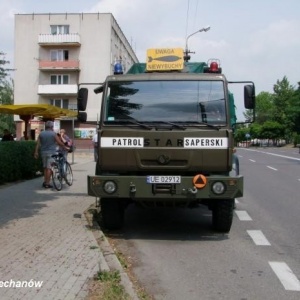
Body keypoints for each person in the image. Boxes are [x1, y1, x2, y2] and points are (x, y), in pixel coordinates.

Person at [34, 121, 69, 189]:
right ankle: (47, 183)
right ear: (51, 127)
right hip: (52, 153)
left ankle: (45, 181)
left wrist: (36, 152)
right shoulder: (53, 134)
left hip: (43, 152)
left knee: (45, 168)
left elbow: (38, 143)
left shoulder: (41, 133)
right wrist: (65, 147)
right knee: (49, 168)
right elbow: (59, 142)